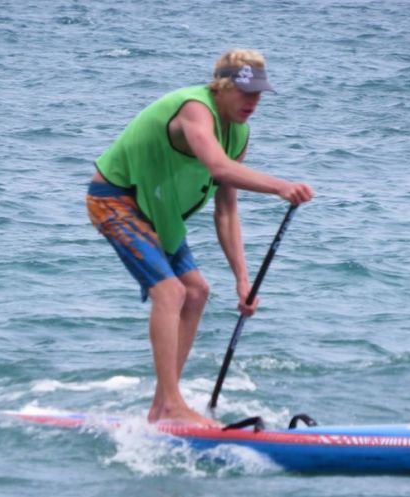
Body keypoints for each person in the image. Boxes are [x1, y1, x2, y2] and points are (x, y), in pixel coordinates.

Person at [86, 49, 313, 427]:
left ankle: (161, 408)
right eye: (245, 93)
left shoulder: (238, 134)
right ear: (221, 88)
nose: (253, 102)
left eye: (259, 94)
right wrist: (281, 187)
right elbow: (217, 166)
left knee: (197, 291)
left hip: (159, 211)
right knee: (171, 292)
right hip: (116, 202)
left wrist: (242, 280)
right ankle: (174, 404)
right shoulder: (195, 109)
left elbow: (226, 211)